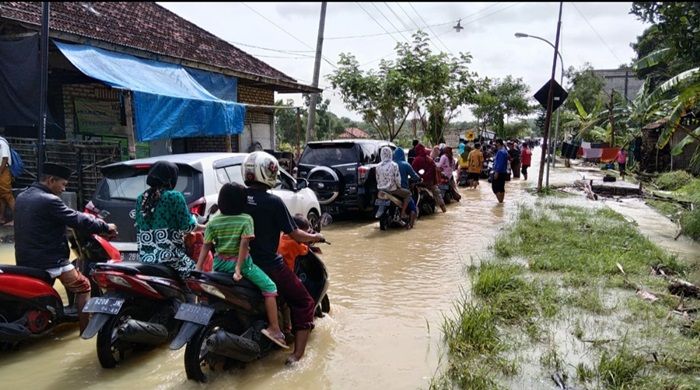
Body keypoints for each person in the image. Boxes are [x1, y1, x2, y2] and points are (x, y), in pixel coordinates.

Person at [241, 151, 325, 365]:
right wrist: (315, 236)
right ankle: (296, 356)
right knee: (304, 301)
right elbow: (296, 234)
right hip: (268, 264)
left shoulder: (238, 197)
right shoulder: (273, 202)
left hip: (240, 263)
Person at [14, 162, 118, 333]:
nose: (63, 189)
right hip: (51, 260)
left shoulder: (22, 196)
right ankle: (85, 331)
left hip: (26, 259)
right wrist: (105, 226)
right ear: (50, 180)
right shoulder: (49, 200)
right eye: (63, 184)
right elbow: (77, 219)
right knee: (84, 286)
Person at [195, 182, 288, 349]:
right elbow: (244, 246)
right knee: (270, 288)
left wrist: (198, 268)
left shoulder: (214, 221)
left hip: (219, 265)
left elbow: (206, 246)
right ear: (243, 202)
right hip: (242, 265)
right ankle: (274, 328)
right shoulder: (246, 219)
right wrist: (238, 268)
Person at [135, 161, 199, 278]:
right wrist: (197, 222)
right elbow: (187, 226)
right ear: (171, 178)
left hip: (145, 259)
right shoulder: (174, 196)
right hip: (171, 259)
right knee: (198, 275)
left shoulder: (141, 198)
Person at [375, 146, 412, 219]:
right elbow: (397, 178)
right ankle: (403, 213)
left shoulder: (377, 166)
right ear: (390, 154)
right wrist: (399, 186)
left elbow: (377, 178)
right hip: (392, 190)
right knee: (408, 194)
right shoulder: (394, 165)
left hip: (381, 190)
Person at [411, 144, 447, 213]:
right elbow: (435, 170)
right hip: (430, 182)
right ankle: (444, 210)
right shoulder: (430, 159)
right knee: (437, 194)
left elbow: (413, 172)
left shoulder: (416, 160)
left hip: (420, 182)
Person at [393, 148, 420, 229]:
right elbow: (414, 176)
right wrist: (418, 178)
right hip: (402, 190)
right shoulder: (405, 164)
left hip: (389, 189)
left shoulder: (391, 164)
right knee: (413, 209)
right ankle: (410, 226)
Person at [0, 137, 15, 226]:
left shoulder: (2, 143)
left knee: (7, 195)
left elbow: (5, 158)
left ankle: (17, 218)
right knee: (1, 196)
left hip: (3, 170)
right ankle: (1, 218)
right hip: (2, 170)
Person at [492, 139, 509, 203]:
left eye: (496, 143)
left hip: (499, 172)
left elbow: (499, 163)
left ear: (498, 143)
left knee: (495, 188)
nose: (495, 145)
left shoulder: (500, 152)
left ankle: (500, 201)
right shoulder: (505, 151)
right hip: (503, 172)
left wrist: (496, 172)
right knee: (501, 188)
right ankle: (501, 202)